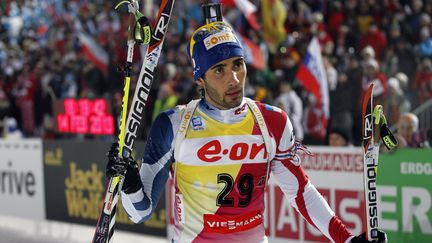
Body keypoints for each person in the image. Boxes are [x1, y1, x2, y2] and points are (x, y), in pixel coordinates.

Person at [106, 20, 387, 243]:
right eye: (219, 70)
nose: (235, 78)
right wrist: (130, 183)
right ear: (200, 79)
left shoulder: (272, 121)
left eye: (238, 65)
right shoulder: (173, 124)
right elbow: (140, 212)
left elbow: (302, 194)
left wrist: (346, 239)